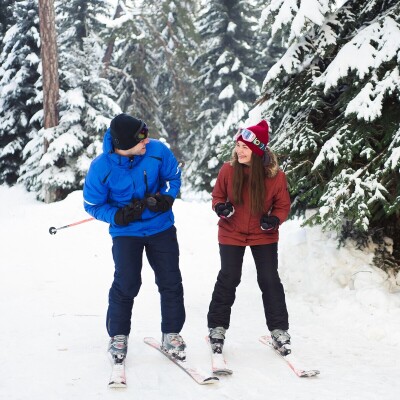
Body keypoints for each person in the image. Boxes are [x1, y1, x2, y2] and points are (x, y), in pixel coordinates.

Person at [83, 113, 186, 363]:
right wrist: (117, 215)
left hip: (160, 227)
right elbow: (92, 204)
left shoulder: (157, 151)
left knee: (170, 280)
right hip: (126, 232)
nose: (147, 141)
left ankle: (171, 334)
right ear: (124, 145)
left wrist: (167, 198)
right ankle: (118, 336)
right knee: (127, 282)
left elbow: (173, 178)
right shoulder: (101, 168)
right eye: (141, 138)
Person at [207, 120, 292, 356]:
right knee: (229, 277)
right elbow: (217, 196)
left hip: (263, 234)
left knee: (269, 279)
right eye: (238, 145)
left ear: (257, 150)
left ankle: (279, 330)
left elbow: (282, 205)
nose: (239, 150)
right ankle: (217, 327)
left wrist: (274, 219)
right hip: (231, 231)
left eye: (244, 147)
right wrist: (221, 208)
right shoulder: (228, 170)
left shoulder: (275, 177)